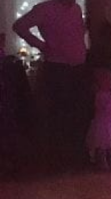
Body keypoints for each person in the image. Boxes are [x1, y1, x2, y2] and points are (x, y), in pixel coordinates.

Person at [13, 0, 88, 169]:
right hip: (58, 68)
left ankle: (73, 158)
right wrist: (42, 46)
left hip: (78, 67)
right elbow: (19, 26)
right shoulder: (45, 9)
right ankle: (60, 160)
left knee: (76, 114)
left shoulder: (76, 9)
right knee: (60, 115)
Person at [86, 69, 111, 169]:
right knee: (103, 144)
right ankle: (102, 161)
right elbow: (103, 107)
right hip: (103, 121)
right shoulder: (99, 95)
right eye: (109, 81)